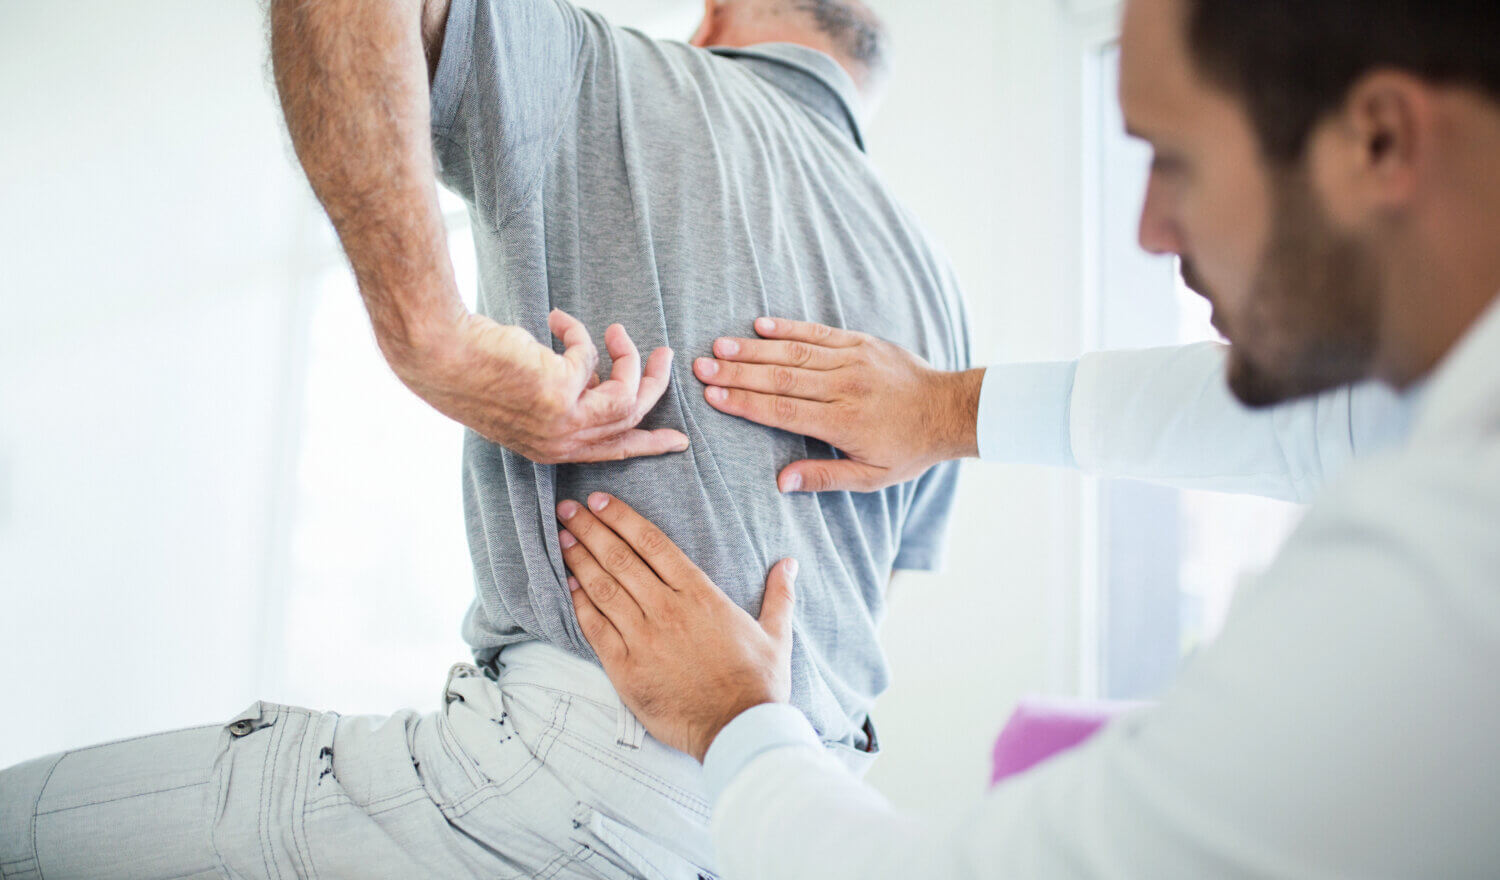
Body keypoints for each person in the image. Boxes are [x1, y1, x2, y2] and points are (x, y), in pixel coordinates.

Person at [0, 0, 975, 877]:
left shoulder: (621, 73)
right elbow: (857, 600)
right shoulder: (941, 304)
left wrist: (432, 339)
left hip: (587, 781)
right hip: (791, 818)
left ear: (716, 18)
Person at [552, 0, 1500, 875]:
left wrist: (736, 719)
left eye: (1174, 159)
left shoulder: (1447, 572)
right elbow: (1320, 427)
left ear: (1379, 138)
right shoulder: (1439, 426)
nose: (1148, 230)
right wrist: (943, 410)